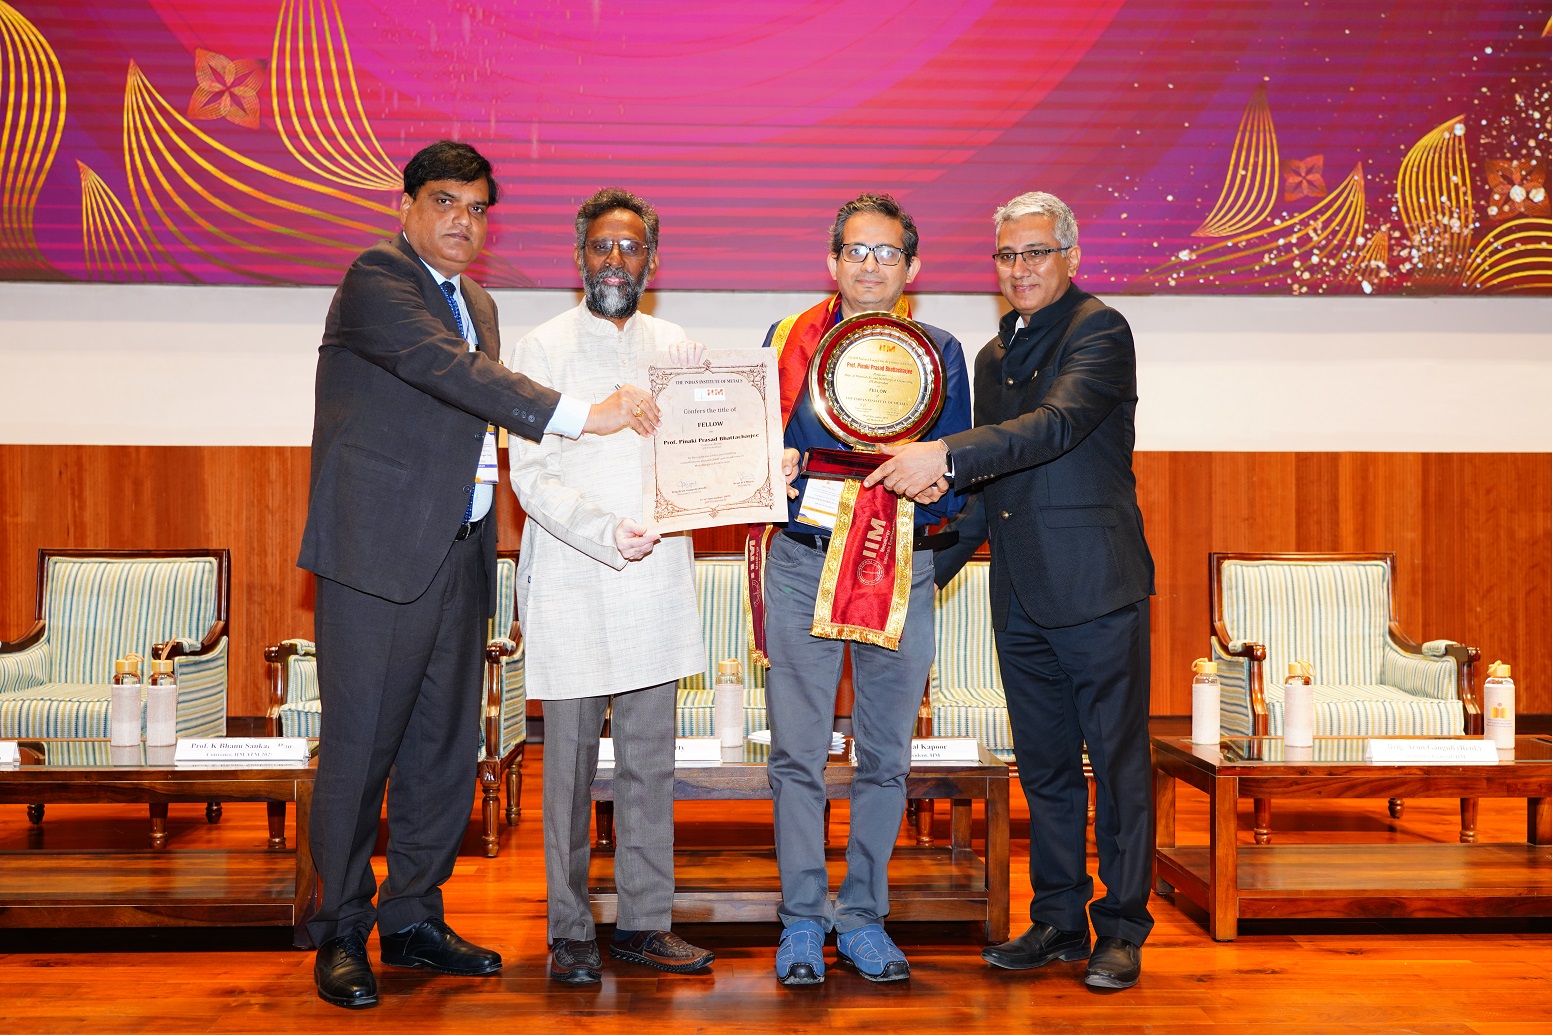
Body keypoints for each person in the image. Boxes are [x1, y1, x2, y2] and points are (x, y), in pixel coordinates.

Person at [298, 143, 659, 1010]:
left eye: (477, 207)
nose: (463, 220)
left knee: (444, 746)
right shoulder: (377, 278)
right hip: (376, 554)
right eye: (444, 200)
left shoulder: (482, 304)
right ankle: (339, 928)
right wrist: (586, 415)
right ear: (407, 205)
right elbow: (451, 372)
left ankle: (413, 916)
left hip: (461, 552)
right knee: (360, 748)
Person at [865, 191, 1156, 992]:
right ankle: (1058, 918)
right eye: (1007, 255)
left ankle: (1121, 927)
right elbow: (988, 492)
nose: (1020, 268)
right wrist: (912, 576)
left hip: (1097, 587)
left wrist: (943, 455)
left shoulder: (1100, 330)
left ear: (1071, 256)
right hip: (1020, 594)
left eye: (1036, 252)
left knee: (1118, 768)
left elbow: (1054, 426)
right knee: (1046, 767)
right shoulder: (994, 358)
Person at [760, 193, 971, 985]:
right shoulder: (786, 340)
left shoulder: (940, 351)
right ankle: (801, 919)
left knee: (885, 754)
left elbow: (954, 482)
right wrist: (772, 468)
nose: (871, 265)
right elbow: (756, 455)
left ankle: (863, 917)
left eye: (887, 252)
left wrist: (933, 484)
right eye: (856, 250)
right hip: (802, 561)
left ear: (912, 266)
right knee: (797, 754)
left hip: (897, 564)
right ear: (832, 262)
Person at [506, 188, 714, 985]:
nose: (616, 261)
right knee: (565, 770)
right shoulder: (541, 348)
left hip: (654, 577)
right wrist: (604, 531)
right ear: (579, 257)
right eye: (602, 247)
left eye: (631, 248)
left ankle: (644, 922)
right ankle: (569, 930)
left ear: (652, 261)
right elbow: (532, 476)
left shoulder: (677, 347)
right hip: (572, 573)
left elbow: (705, 451)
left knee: (649, 763)